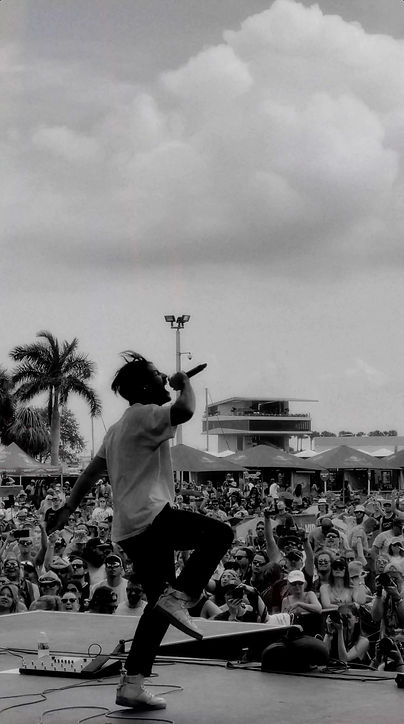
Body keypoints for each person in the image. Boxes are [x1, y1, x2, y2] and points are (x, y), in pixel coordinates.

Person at [47, 350, 233, 711]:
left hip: (129, 530)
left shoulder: (117, 429)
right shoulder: (145, 414)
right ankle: (183, 595)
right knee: (221, 534)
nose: (164, 378)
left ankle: (132, 684)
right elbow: (185, 410)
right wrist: (184, 383)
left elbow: (91, 472)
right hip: (152, 517)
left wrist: (68, 508)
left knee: (158, 608)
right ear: (146, 387)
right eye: (157, 374)